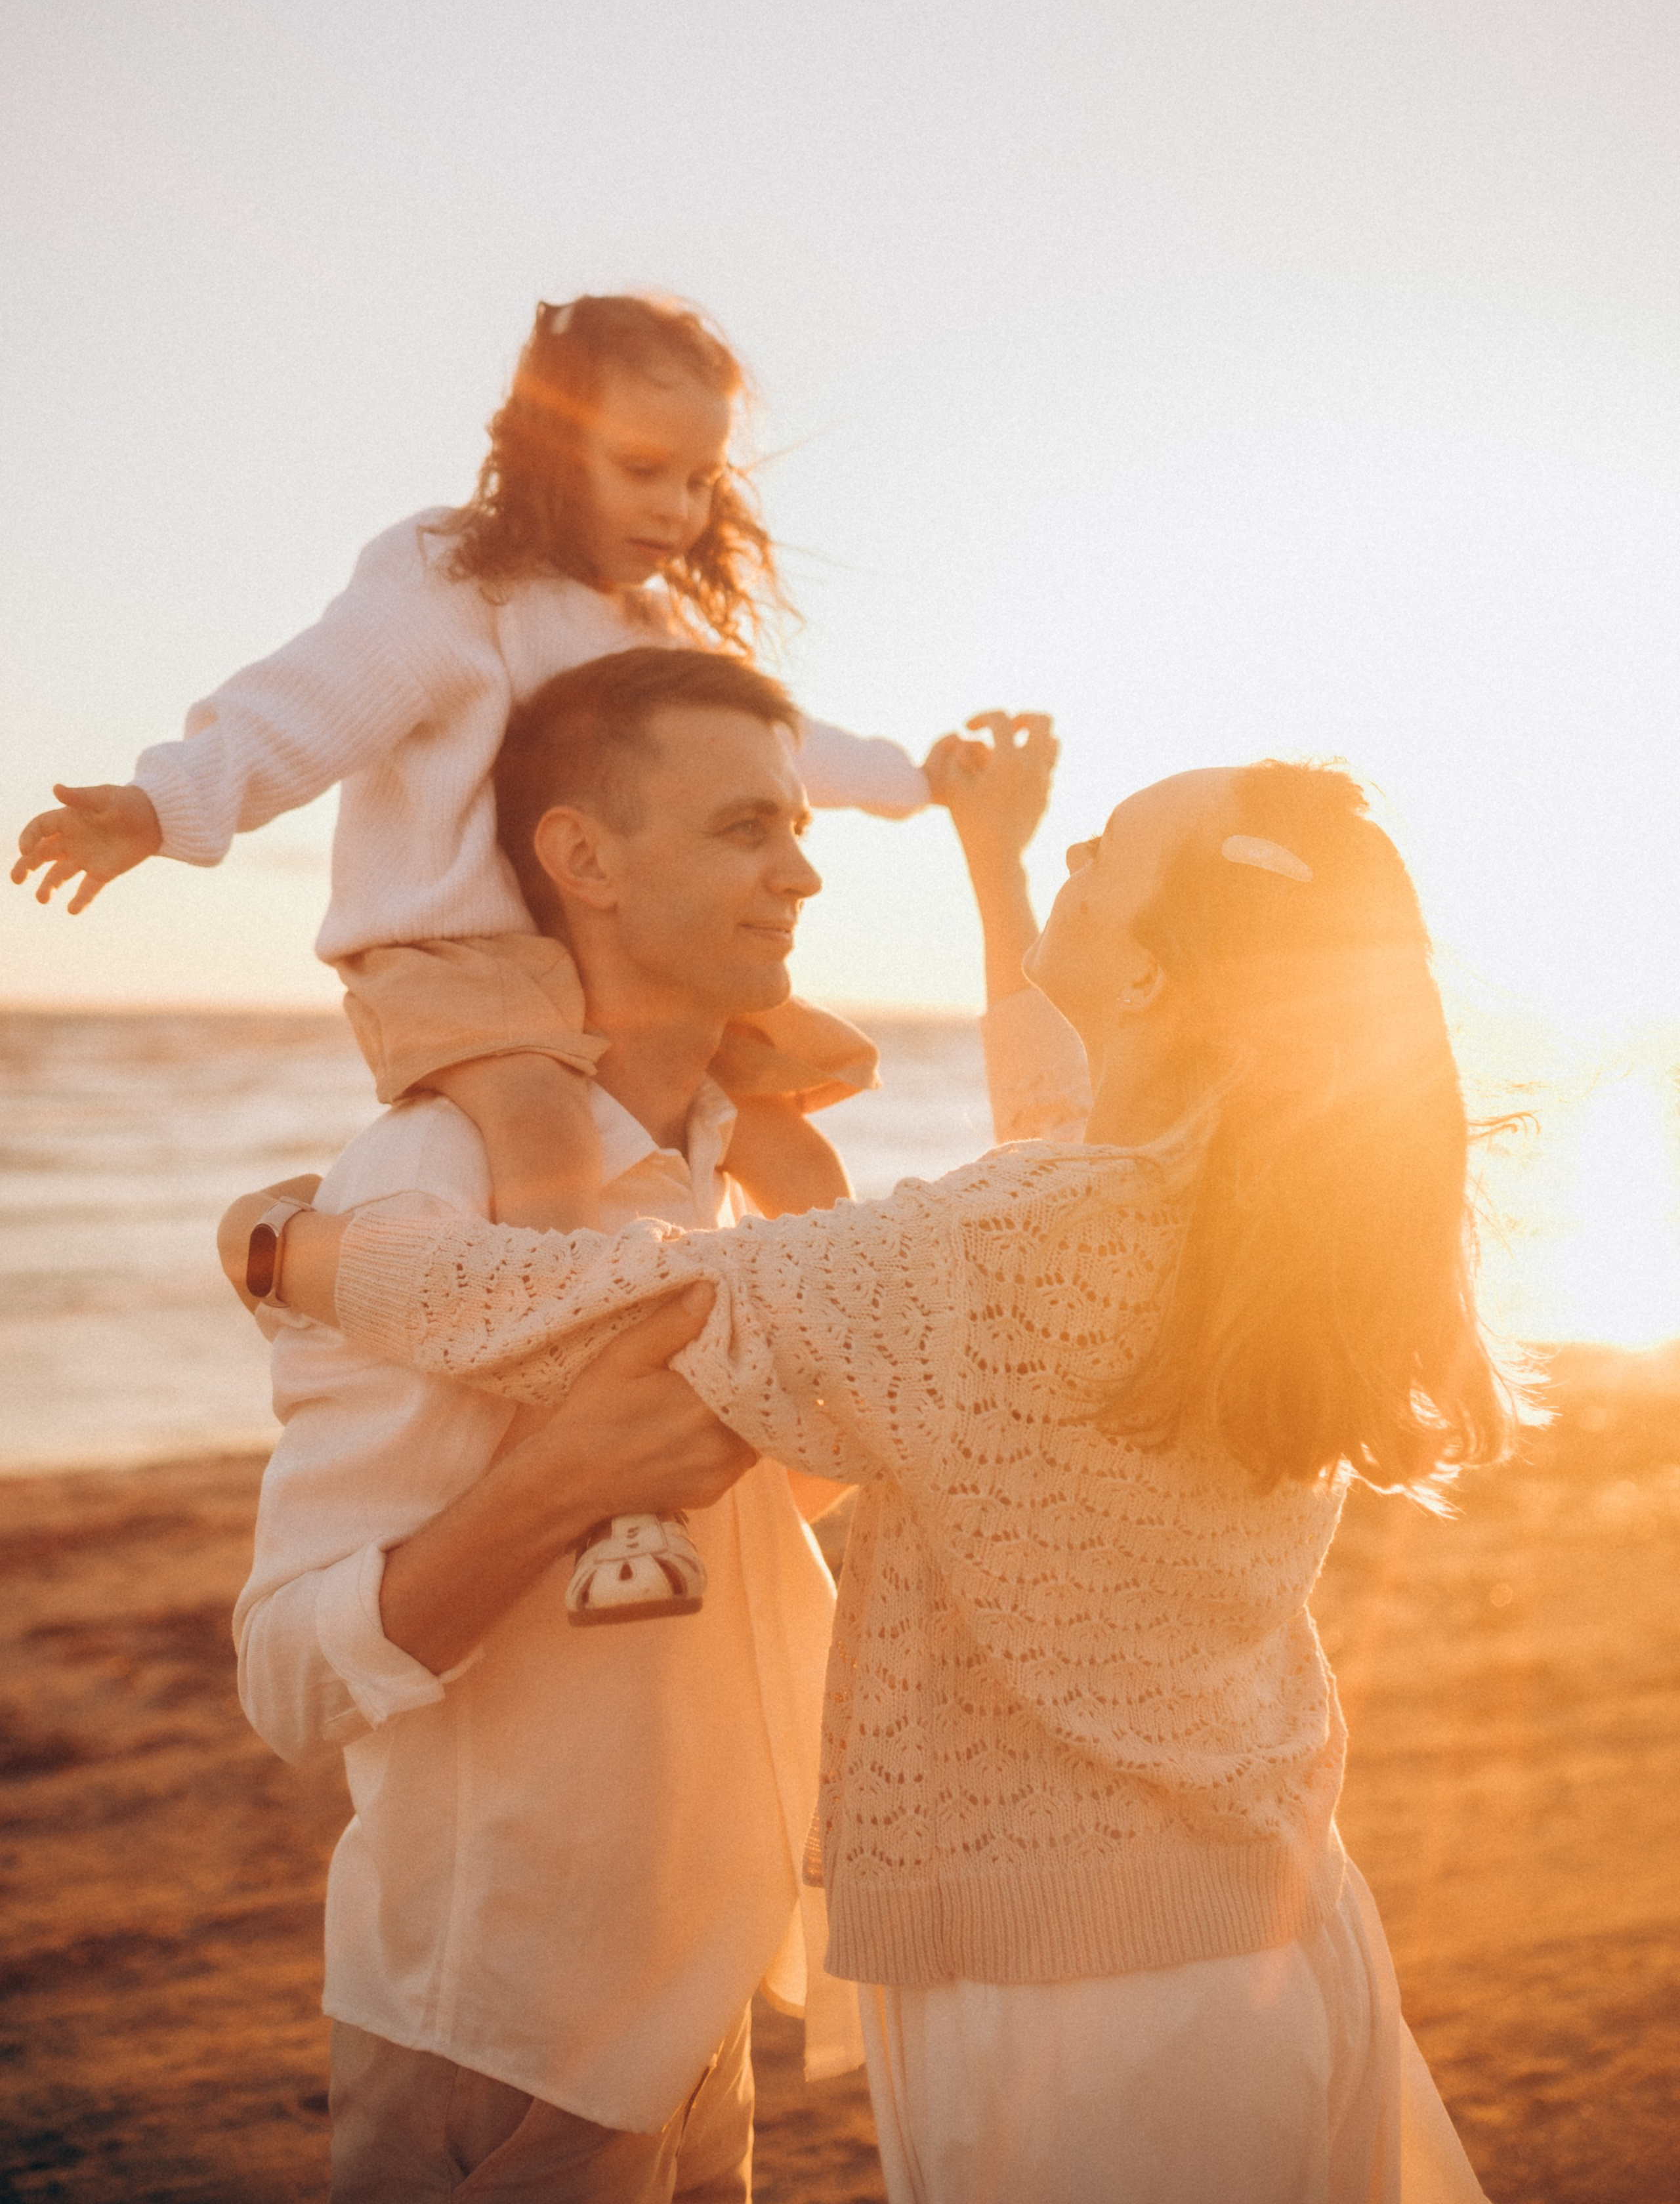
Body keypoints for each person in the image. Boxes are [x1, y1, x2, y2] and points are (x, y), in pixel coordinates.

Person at [243, 718, 1522, 2203]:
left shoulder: (1015, 1242)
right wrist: (996, 862)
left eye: (1105, 851)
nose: (1077, 853)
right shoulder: (1237, 1210)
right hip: (1277, 1932)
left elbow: (590, 1301)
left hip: (1089, 2006)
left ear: (1157, 980)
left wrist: (282, 1247)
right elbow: (1052, 1114)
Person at [227, 645, 927, 2201]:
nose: (801, 873)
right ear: (583, 860)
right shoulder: (433, 1182)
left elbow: (758, 1511)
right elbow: (285, 1677)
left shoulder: (737, 1183)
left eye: (796, 827)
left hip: (700, 2006)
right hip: (501, 2029)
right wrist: (558, 1482)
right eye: (745, 827)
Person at [10, 292, 941, 1233]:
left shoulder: (653, 628)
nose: (676, 507)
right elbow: (311, 699)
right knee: (546, 1128)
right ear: (550, 449)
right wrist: (160, 806)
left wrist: (918, 783)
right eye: (642, 469)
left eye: (702, 480)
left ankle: (858, 1307)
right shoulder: (454, 582)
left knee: (785, 1132)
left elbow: (776, 751)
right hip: (455, 951)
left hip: (600, 957)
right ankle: (569, 1307)